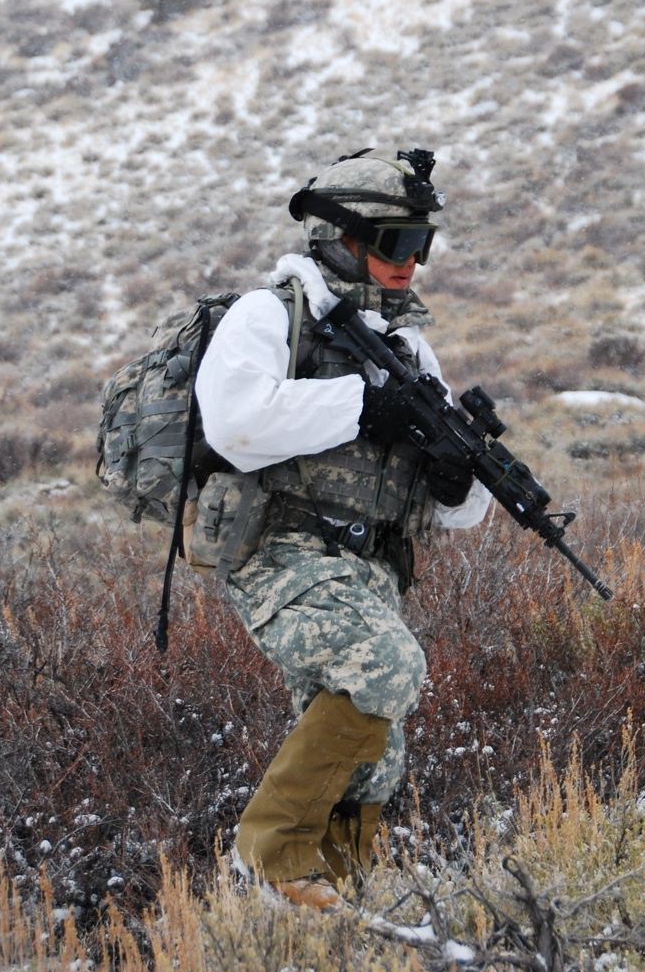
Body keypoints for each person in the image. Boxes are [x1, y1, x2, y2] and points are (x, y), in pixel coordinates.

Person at [194, 149, 491, 909]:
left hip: (370, 567)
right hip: (281, 547)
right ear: (343, 236)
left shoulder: (408, 348)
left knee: (378, 754)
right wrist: (362, 405)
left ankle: (330, 903)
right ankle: (270, 857)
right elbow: (235, 423)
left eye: (421, 245)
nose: (411, 263)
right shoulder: (269, 316)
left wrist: (459, 478)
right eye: (396, 244)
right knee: (389, 668)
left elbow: (455, 513)